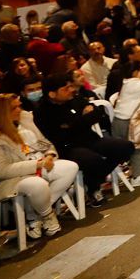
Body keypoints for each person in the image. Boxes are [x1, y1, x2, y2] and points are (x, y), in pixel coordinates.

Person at [0, 94, 79, 239]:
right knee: (37, 184)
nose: (19, 110)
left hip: (36, 163)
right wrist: (37, 164)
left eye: (20, 105)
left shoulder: (24, 119)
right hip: (5, 180)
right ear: (2, 112)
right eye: (14, 107)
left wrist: (50, 155)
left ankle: (35, 215)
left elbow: (44, 143)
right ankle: (47, 216)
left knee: (70, 167)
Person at [33, 73, 133, 207]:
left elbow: (99, 112)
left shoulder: (74, 98)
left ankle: (92, 183)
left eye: (70, 87)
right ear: (52, 94)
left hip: (90, 139)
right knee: (93, 160)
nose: (71, 90)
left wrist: (77, 122)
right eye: (65, 89)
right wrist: (82, 119)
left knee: (125, 147)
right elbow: (61, 134)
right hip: (67, 148)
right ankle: (94, 188)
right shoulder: (42, 111)